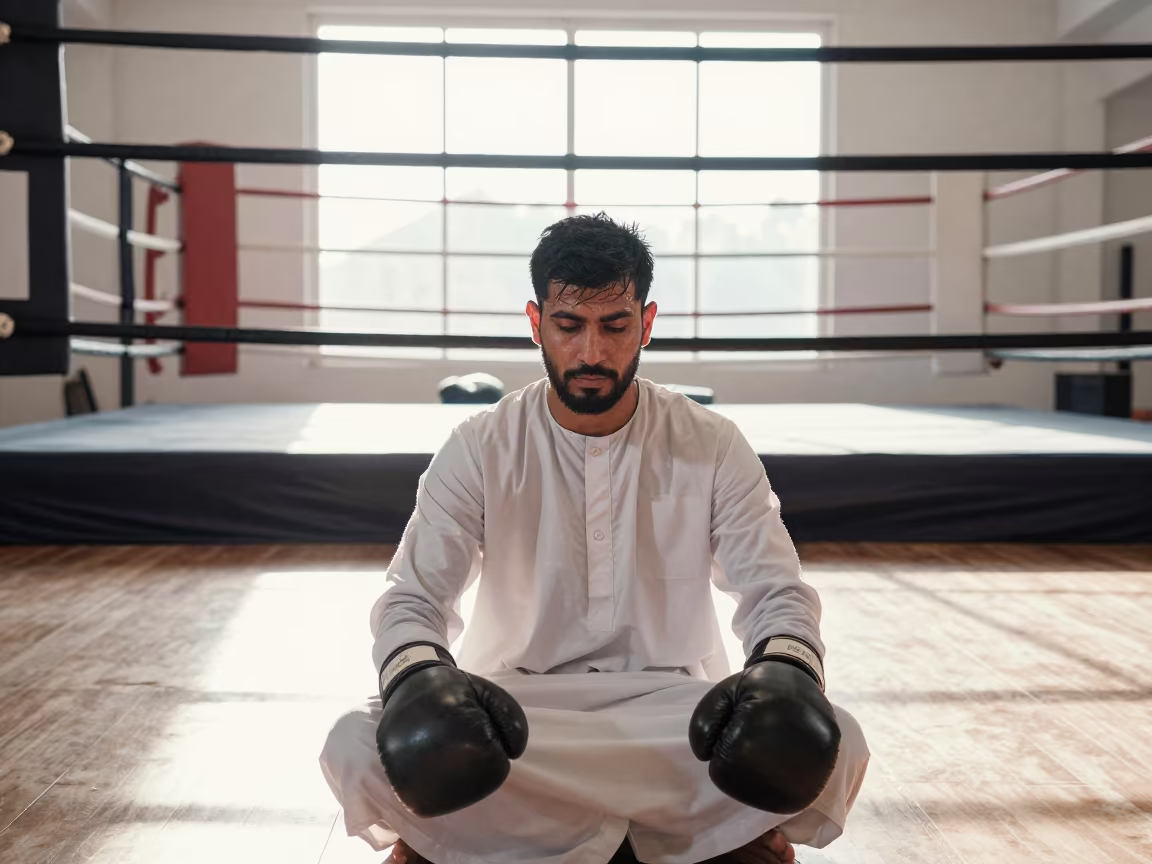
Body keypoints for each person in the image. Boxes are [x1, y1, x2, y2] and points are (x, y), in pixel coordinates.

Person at [320, 214, 869, 864]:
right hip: (515, 714)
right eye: (569, 326)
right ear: (536, 323)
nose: (591, 353)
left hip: (673, 709)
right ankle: (695, 837)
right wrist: (420, 681)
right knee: (354, 741)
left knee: (839, 739)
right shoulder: (480, 446)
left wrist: (787, 670)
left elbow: (775, 590)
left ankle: (485, 841)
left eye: (615, 326)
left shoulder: (711, 442)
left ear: (647, 322)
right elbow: (414, 597)